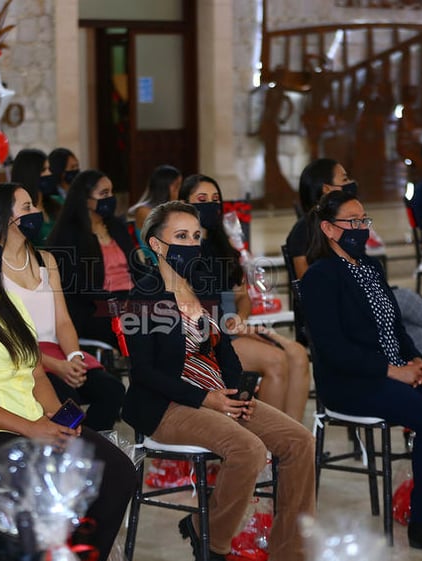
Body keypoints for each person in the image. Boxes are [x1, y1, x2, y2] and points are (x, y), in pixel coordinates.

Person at [0, 206, 136, 561]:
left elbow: (35, 372)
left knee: (117, 471)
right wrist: (31, 429)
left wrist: (62, 420)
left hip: (28, 424)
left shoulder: (7, 302)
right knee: (47, 483)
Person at [123, 201, 315, 561]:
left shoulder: (202, 286)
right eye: (181, 236)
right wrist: (207, 399)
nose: (191, 244)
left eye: (195, 236)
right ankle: (211, 543)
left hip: (217, 394)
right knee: (249, 449)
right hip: (169, 404)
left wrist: (237, 391)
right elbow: (145, 373)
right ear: (157, 245)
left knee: (299, 441)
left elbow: (224, 349)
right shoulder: (143, 296)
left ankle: (291, 551)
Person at [301, 189, 422, 555]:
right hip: (352, 382)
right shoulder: (320, 277)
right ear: (329, 229)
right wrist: (392, 371)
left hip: (395, 371)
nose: (360, 228)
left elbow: (394, 328)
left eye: (363, 220)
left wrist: (416, 360)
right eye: (351, 222)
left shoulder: (370, 267)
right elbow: (332, 349)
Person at [0, 182, 125, 431]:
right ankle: (74, 448)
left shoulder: (46, 260)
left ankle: (89, 448)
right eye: (27, 207)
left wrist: (74, 357)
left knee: (112, 389)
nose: (36, 211)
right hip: (23, 358)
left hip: (58, 351)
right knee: (69, 401)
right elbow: (4, 334)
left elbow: (63, 321)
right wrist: (57, 366)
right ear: (6, 217)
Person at [287, 158, 422, 364]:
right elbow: (307, 283)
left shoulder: (357, 241)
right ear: (326, 188)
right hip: (341, 309)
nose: (351, 183)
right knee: (405, 298)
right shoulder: (303, 230)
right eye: (344, 178)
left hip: (364, 299)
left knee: (417, 330)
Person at [179, 174, 310, 423]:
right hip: (208, 337)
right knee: (276, 360)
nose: (210, 205)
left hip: (233, 326)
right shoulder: (183, 249)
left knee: (297, 353)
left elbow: (243, 296)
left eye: (215, 199)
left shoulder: (224, 244)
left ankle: (291, 442)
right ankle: (269, 445)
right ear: (185, 204)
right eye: (202, 199)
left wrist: (240, 318)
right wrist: (230, 325)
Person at [46, 169, 141, 348]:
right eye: (104, 193)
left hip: (130, 299)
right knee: (145, 325)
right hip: (95, 308)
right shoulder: (69, 235)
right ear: (85, 199)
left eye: (112, 192)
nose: (110, 198)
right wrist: (116, 301)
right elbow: (77, 286)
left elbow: (137, 267)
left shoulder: (116, 227)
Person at [11, 148, 59, 245]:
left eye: (49, 169)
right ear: (30, 174)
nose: (49, 173)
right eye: (44, 170)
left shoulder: (57, 202)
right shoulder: (19, 211)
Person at [127, 164, 182, 241]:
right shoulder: (143, 211)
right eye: (177, 186)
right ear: (168, 188)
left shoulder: (170, 209)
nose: (180, 190)